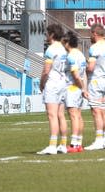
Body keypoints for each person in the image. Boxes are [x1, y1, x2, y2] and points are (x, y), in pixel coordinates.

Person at [37, 24, 69, 155]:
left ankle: (52, 146)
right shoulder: (63, 49)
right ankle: (63, 145)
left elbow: (46, 70)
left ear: (52, 35)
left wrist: (41, 83)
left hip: (53, 83)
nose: (46, 35)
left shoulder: (51, 50)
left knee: (52, 115)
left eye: (47, 33)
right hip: (62, 83)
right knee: (61, 115)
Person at [84, 24, 105, 150]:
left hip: (96, 80)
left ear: (94, 33)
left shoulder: (95, 47)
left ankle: (99, 140)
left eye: (91, 33)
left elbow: (90, 67)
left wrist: (83, 70)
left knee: (96, 112)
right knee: (104, 111)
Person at [62, 31, 88, 153]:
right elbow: (84, 74)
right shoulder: (81, 55)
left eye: (64, 42)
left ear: (67, 43)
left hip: (72, 87)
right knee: (78, 115)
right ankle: (78, 143)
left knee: (73, 115)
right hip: (78, 87)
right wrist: (84, 88)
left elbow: (76, 74)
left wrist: (82, 88)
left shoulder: (71, 55)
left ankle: (73, 145)